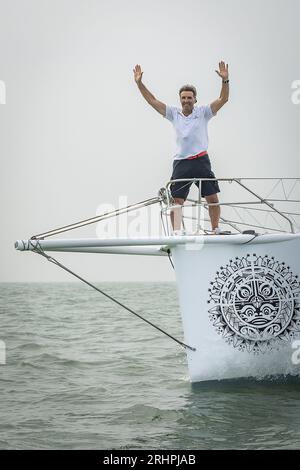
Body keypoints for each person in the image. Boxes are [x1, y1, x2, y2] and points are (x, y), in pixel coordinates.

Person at [133, 62, 229, 233]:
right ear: (180, 99)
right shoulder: (173, 113)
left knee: (212, 198)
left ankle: (216, 229)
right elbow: (151, 100)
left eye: (189, 98)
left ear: (195, 99)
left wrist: (225, 80)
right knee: (177, 201)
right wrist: (139, 84)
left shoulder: (203, 112)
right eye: (183, 98)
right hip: (181, 163)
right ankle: (177, 231)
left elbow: (223, 99)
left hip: (201, 160)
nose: (186, 101)